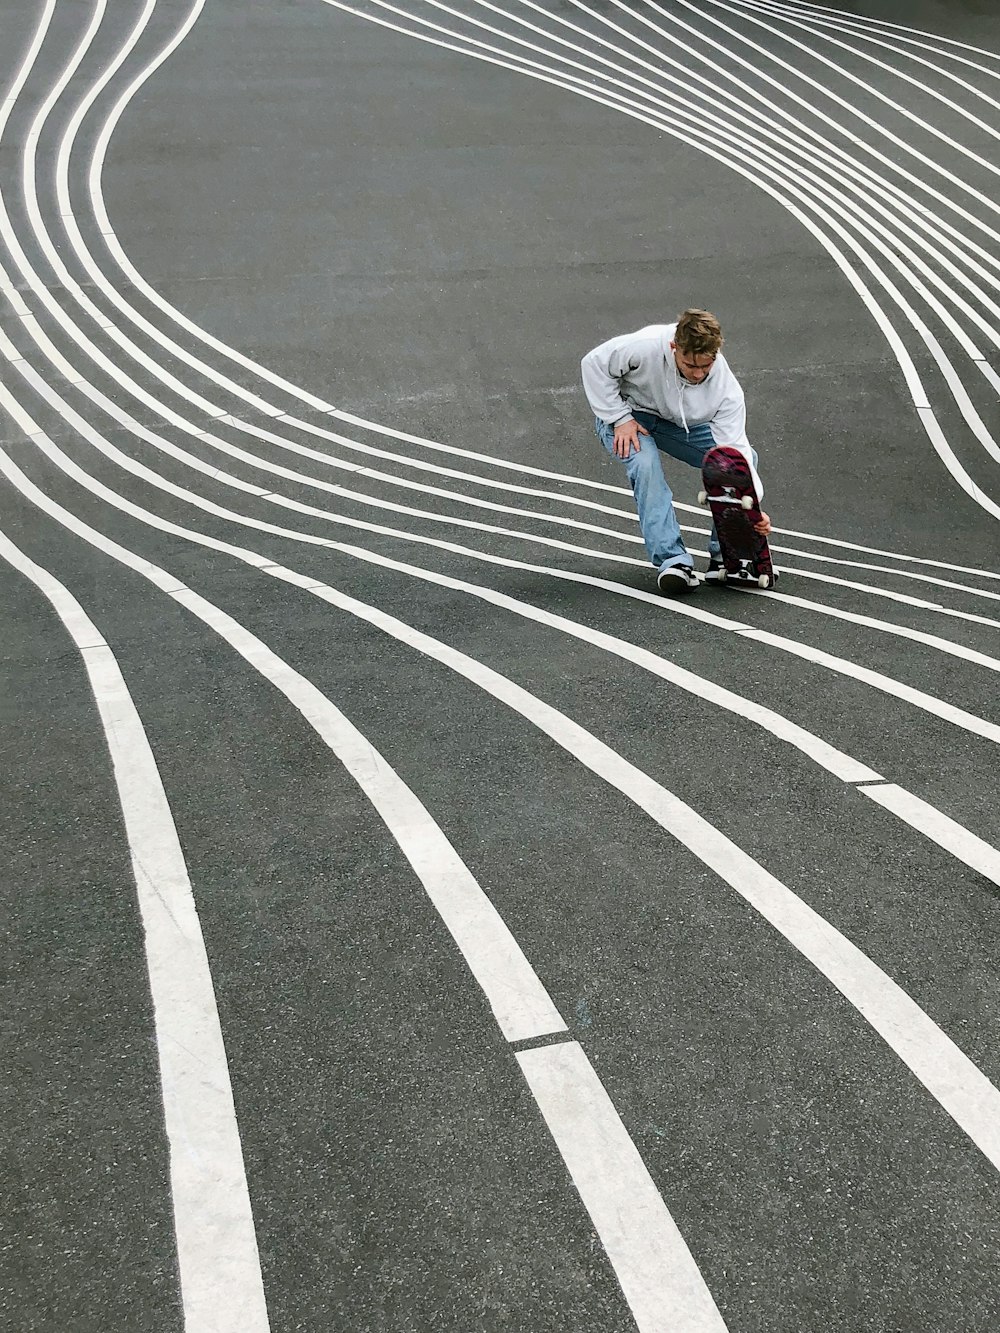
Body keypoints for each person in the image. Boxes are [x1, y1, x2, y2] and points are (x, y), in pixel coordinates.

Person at [581, 307, 770, 595]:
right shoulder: (644, 347)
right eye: (690, 365)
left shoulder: (726, 389)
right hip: (630, 417)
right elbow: (593, 364)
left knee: (739, 466)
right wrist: (619, 417)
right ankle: (673, 561)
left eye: (705, 366)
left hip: (678, 426)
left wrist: (753, 510)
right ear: (674, 347)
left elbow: (736, 452)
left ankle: (727, 555)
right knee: (645, 465)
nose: (697, 374)